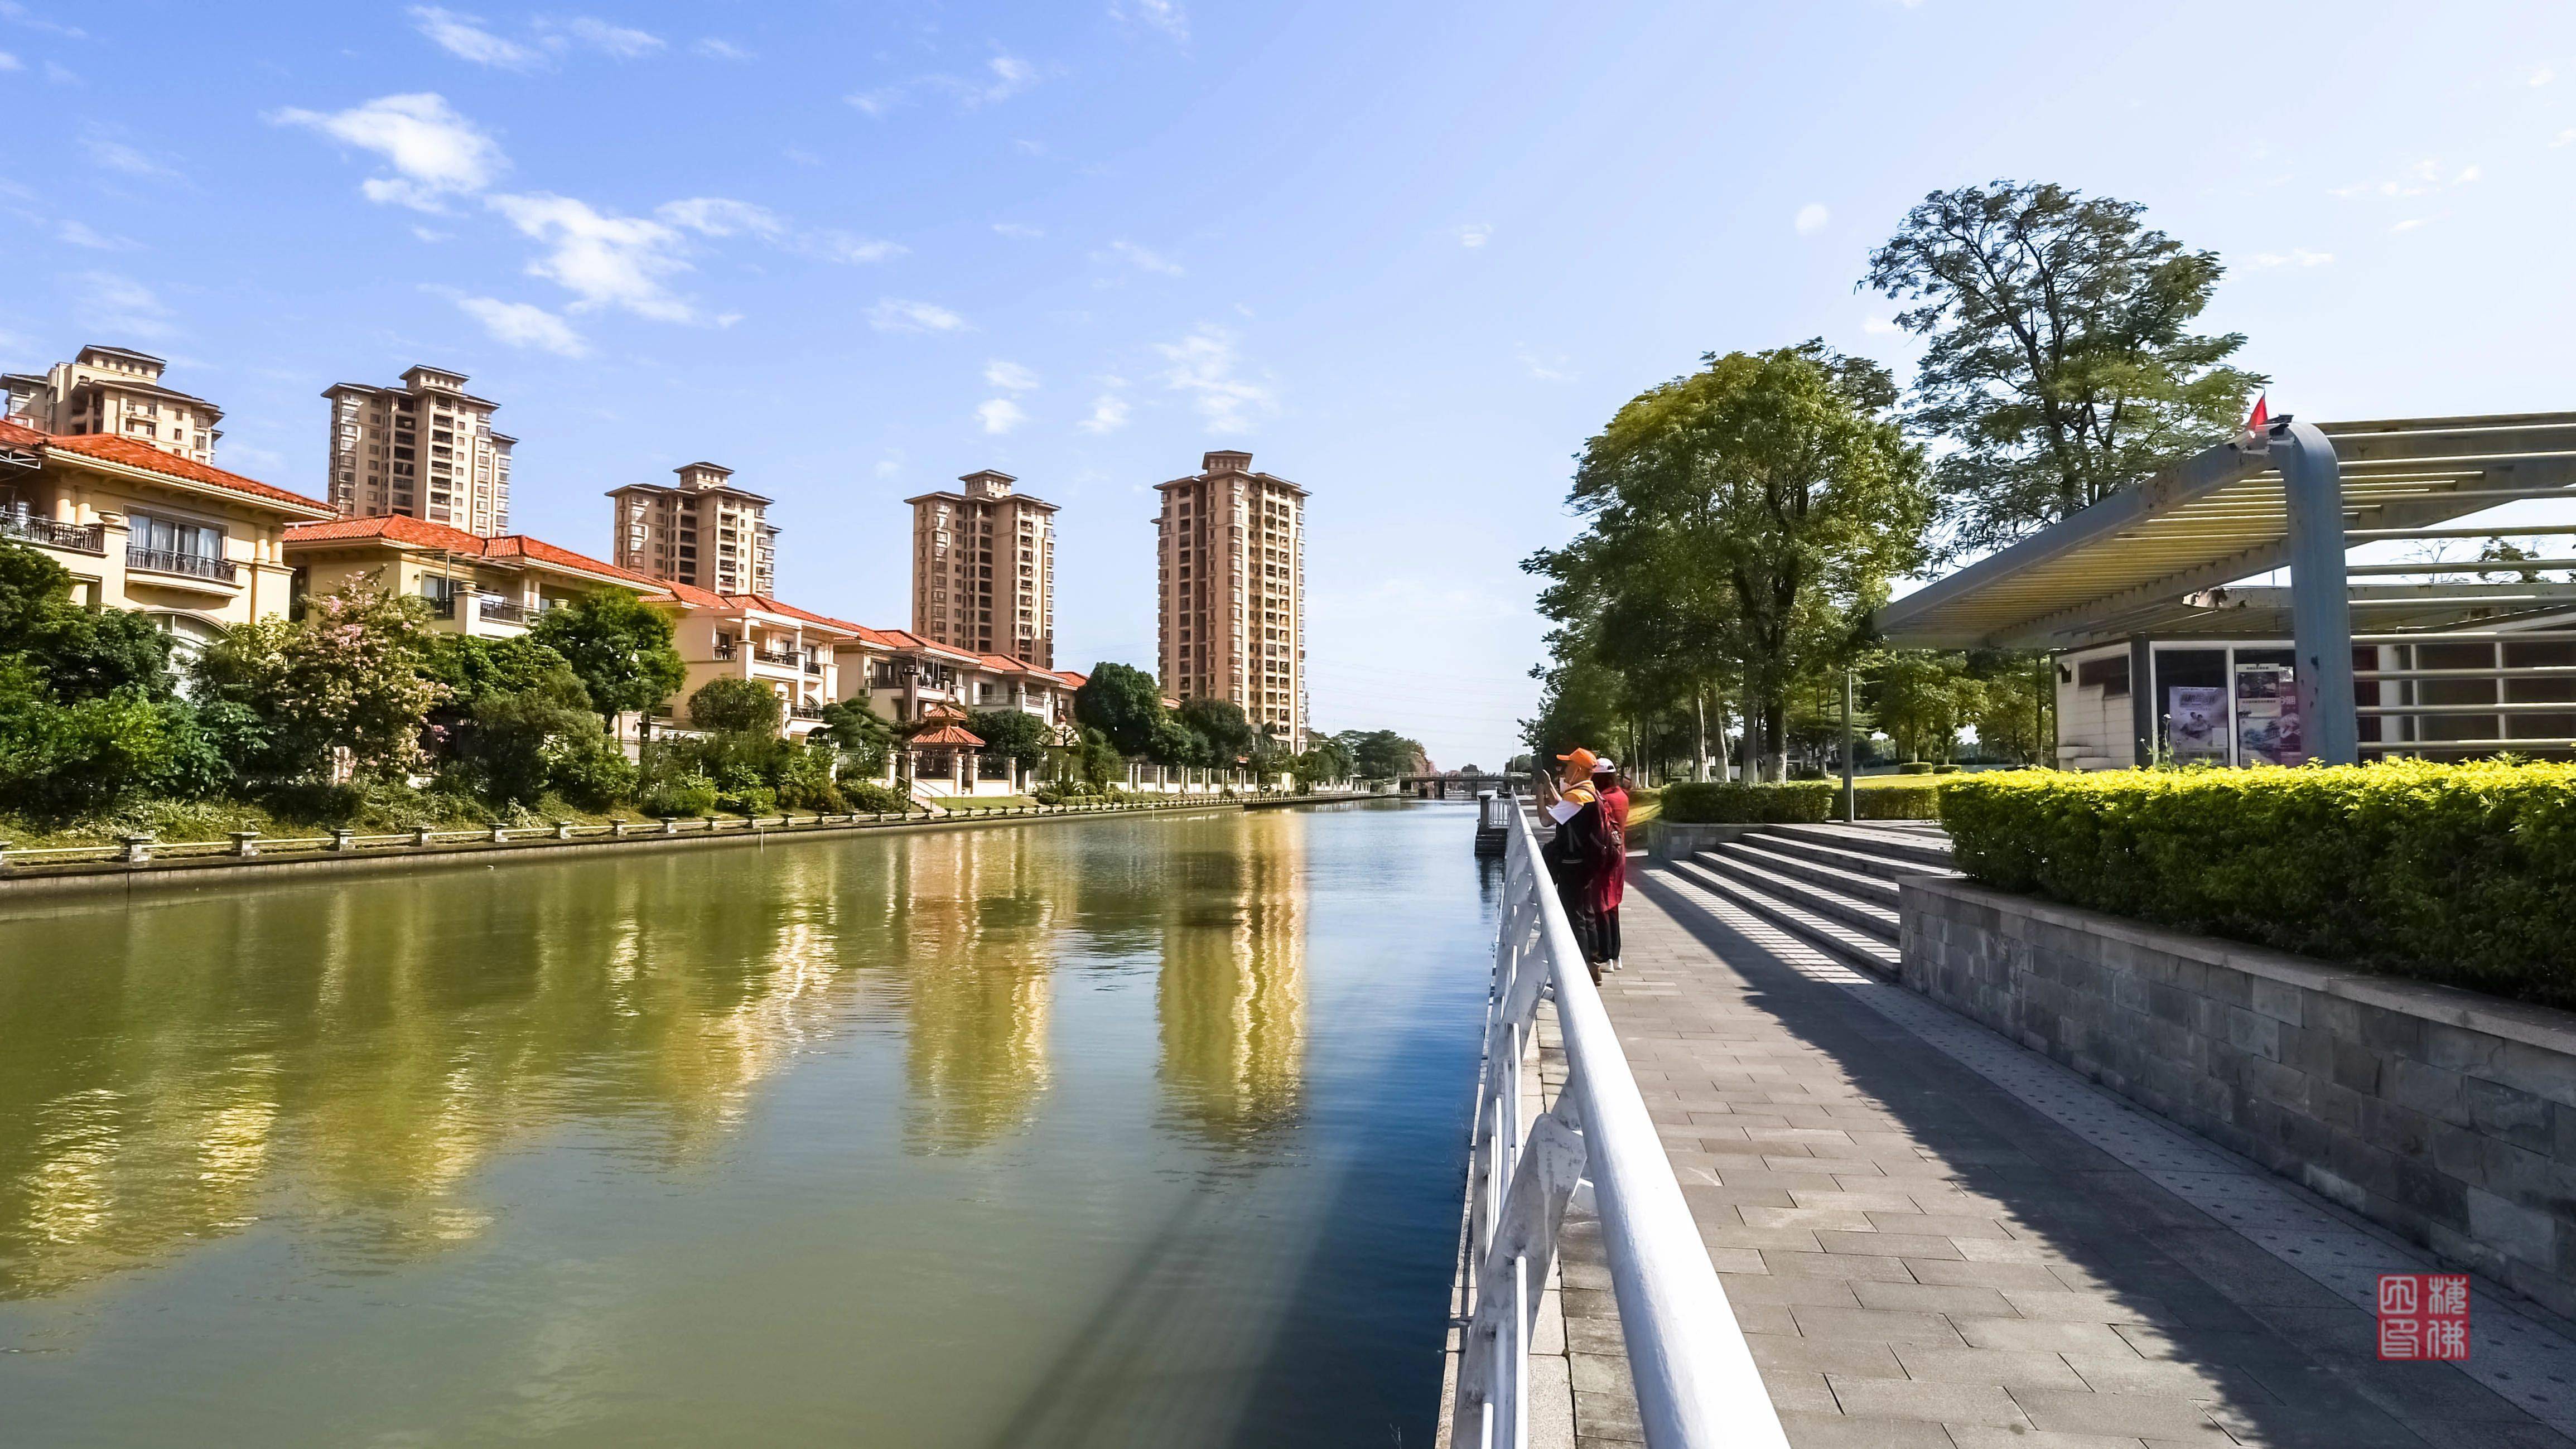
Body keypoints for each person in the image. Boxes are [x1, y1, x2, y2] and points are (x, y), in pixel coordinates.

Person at [1537, 746, 1616, 982]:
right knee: (1587, 912)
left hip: (1574, 864)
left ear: (1579, 769)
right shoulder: (1587, 791)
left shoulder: (1578, 796)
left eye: (1569, 766)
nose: (1566, 770)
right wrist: (1551, 785)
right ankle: (1593, 963)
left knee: (1575, 914)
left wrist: (1540, 795)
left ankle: (1582, 966)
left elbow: (1545, 820)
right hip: (1587, 861)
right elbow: (1564, 808)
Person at [1591, 759, 1629, 972]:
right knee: (1613, 905)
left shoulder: (1603, 800)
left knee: (1601, 905)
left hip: (1606, 856)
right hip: (1620, 853)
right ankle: (1615, 955)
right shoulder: (1622, 796)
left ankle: (1605, 957)